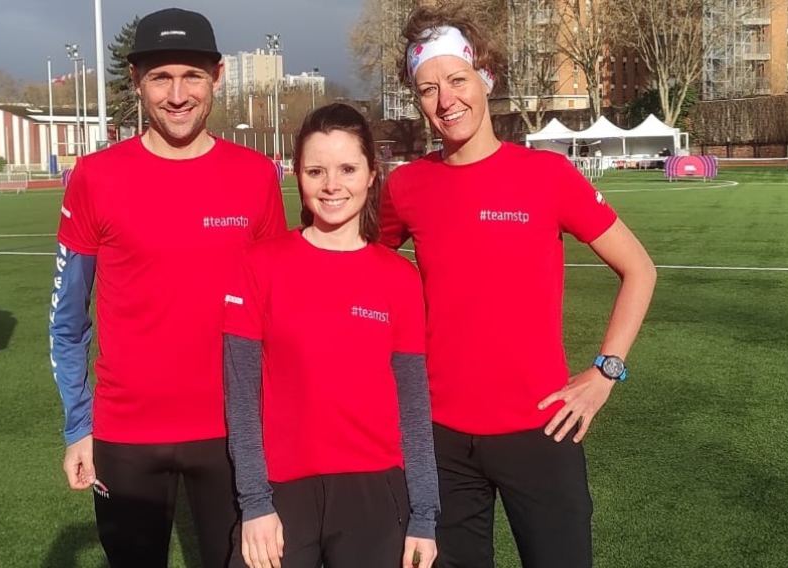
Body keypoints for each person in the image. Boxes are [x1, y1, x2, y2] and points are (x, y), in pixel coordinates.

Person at [381, 6, 658, 568]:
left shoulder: (546, 177)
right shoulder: (406, 187)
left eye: (456, 80)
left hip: (543, 428)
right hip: (440, 438)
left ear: (484, 79)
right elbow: (356, 269)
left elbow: (640, 269)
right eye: (427, 88)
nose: (445, 100)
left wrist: (606, 371)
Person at [49, 8, 286, 567]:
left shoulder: (255, 176)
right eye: (160, 77)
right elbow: (67, 317)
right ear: (136, 81)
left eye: (192, 76)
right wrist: (79, 424)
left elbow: (277, 312)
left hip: (232, 433)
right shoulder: (95, 177)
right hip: (125, 435)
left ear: (218, 76)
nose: (177, 95)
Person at [222, 103, 439, 568]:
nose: (332, 185)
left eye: (347, 168)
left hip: (374, 492)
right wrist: (255, 502)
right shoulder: (259, 264)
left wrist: (424, 515)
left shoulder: (399, 278)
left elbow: (414, 407)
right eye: (316, 170)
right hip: (281, 492)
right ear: (297, 175)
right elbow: (241, 398)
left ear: (371, 173)